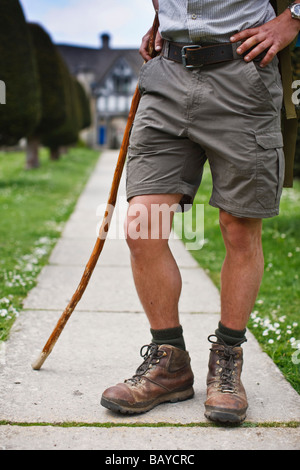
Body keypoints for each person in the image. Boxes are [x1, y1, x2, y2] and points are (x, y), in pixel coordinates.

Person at [101, 1, 300, 424]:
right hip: (167, 72)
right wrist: (162, 19)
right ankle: (169, 362)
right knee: (142, 226)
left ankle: (227, 361)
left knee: (239, 229)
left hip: (243, 73)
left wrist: (293, 18)